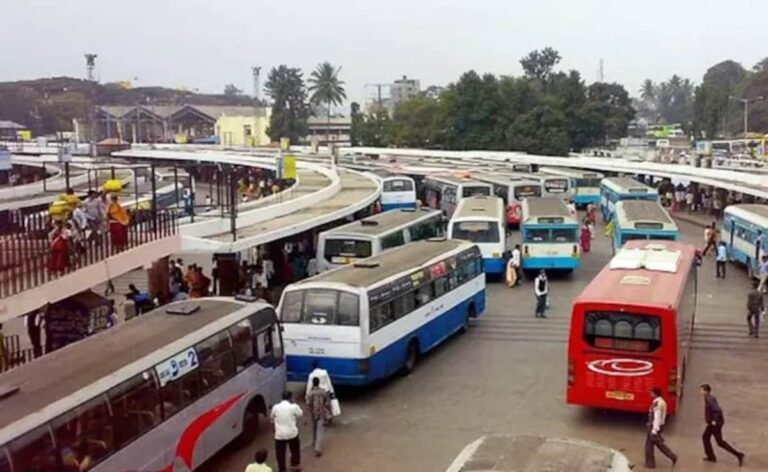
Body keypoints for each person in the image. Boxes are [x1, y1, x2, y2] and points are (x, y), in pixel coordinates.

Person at [700, 383, 745, 466]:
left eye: (702, 390)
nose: (700, 392)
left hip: (715, 425)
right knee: (705, 437)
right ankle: (711, 456)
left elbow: (718, 410)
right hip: (712, 423)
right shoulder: (707, 398)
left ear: (706, 391)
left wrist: (714, 421)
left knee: (720, 442)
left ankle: (739, 455)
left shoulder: (710, 399)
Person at [644, 387, 677, 469]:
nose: (650, 394)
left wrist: (654, 430)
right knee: (655, 444)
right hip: (656, 426)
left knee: (651, 445)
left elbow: (657, 417)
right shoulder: (661, 401)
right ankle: (671, 456)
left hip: (654, 427)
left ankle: (651, 463)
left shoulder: (657, 404)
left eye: (651, 393)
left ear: (655, 394)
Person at [270, 391, 302, 472]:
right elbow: (300, 414)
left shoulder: (275, 407)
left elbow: (272, 418)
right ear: (290, 398)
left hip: (280, 435)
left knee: (280, 453)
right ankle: (294, 465)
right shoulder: (293, 407)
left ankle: (282, 469)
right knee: (295, 450)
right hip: (292, 433)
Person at [306, 377, 331, 457]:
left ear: (313, 383)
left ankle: (314, 442)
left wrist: (305, 416)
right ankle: (317, 448)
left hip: (313, 413)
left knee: (314, 428)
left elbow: (308, 405)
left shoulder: (310, 393)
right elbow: (327, 403)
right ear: (319, 382)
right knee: (319, 431)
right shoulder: (323, 392)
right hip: (321, 413)